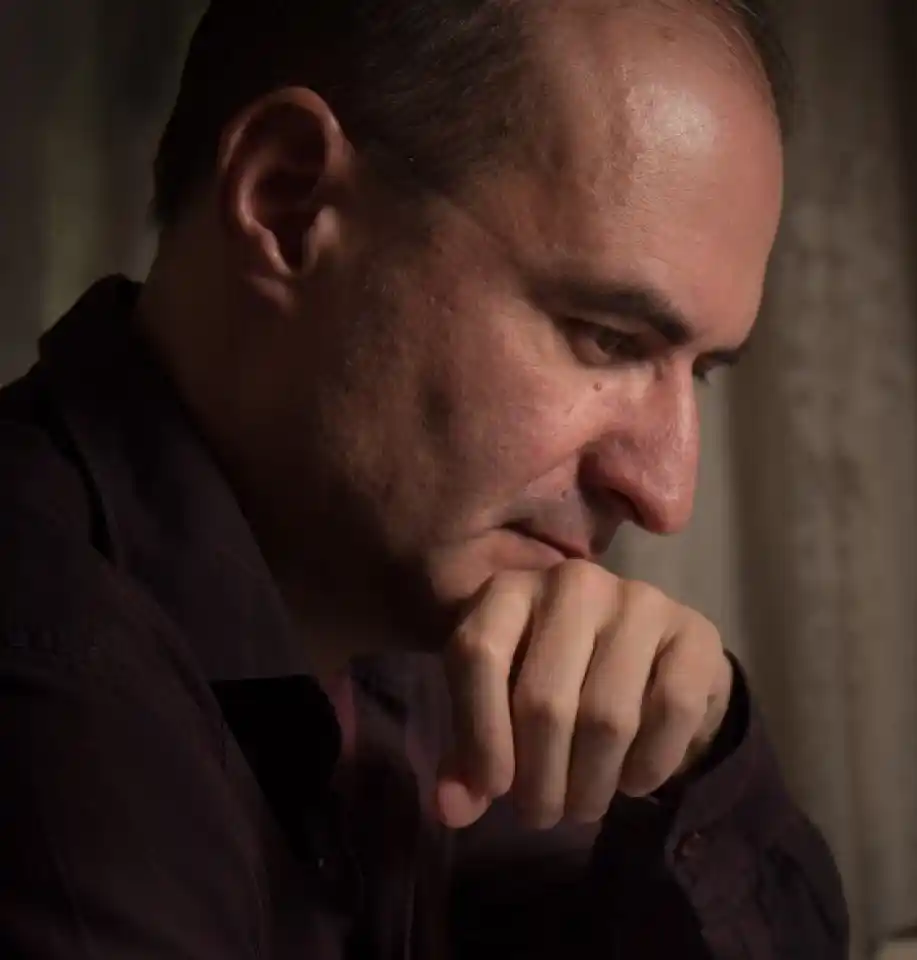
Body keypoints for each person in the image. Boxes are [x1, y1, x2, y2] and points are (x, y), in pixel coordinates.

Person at [0, 0, 848, 957]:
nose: (664, 497)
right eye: (606, 338)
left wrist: (694, 750)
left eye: (698, 372)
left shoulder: (427, 631)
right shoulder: (52, 696)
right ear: (287, 204)